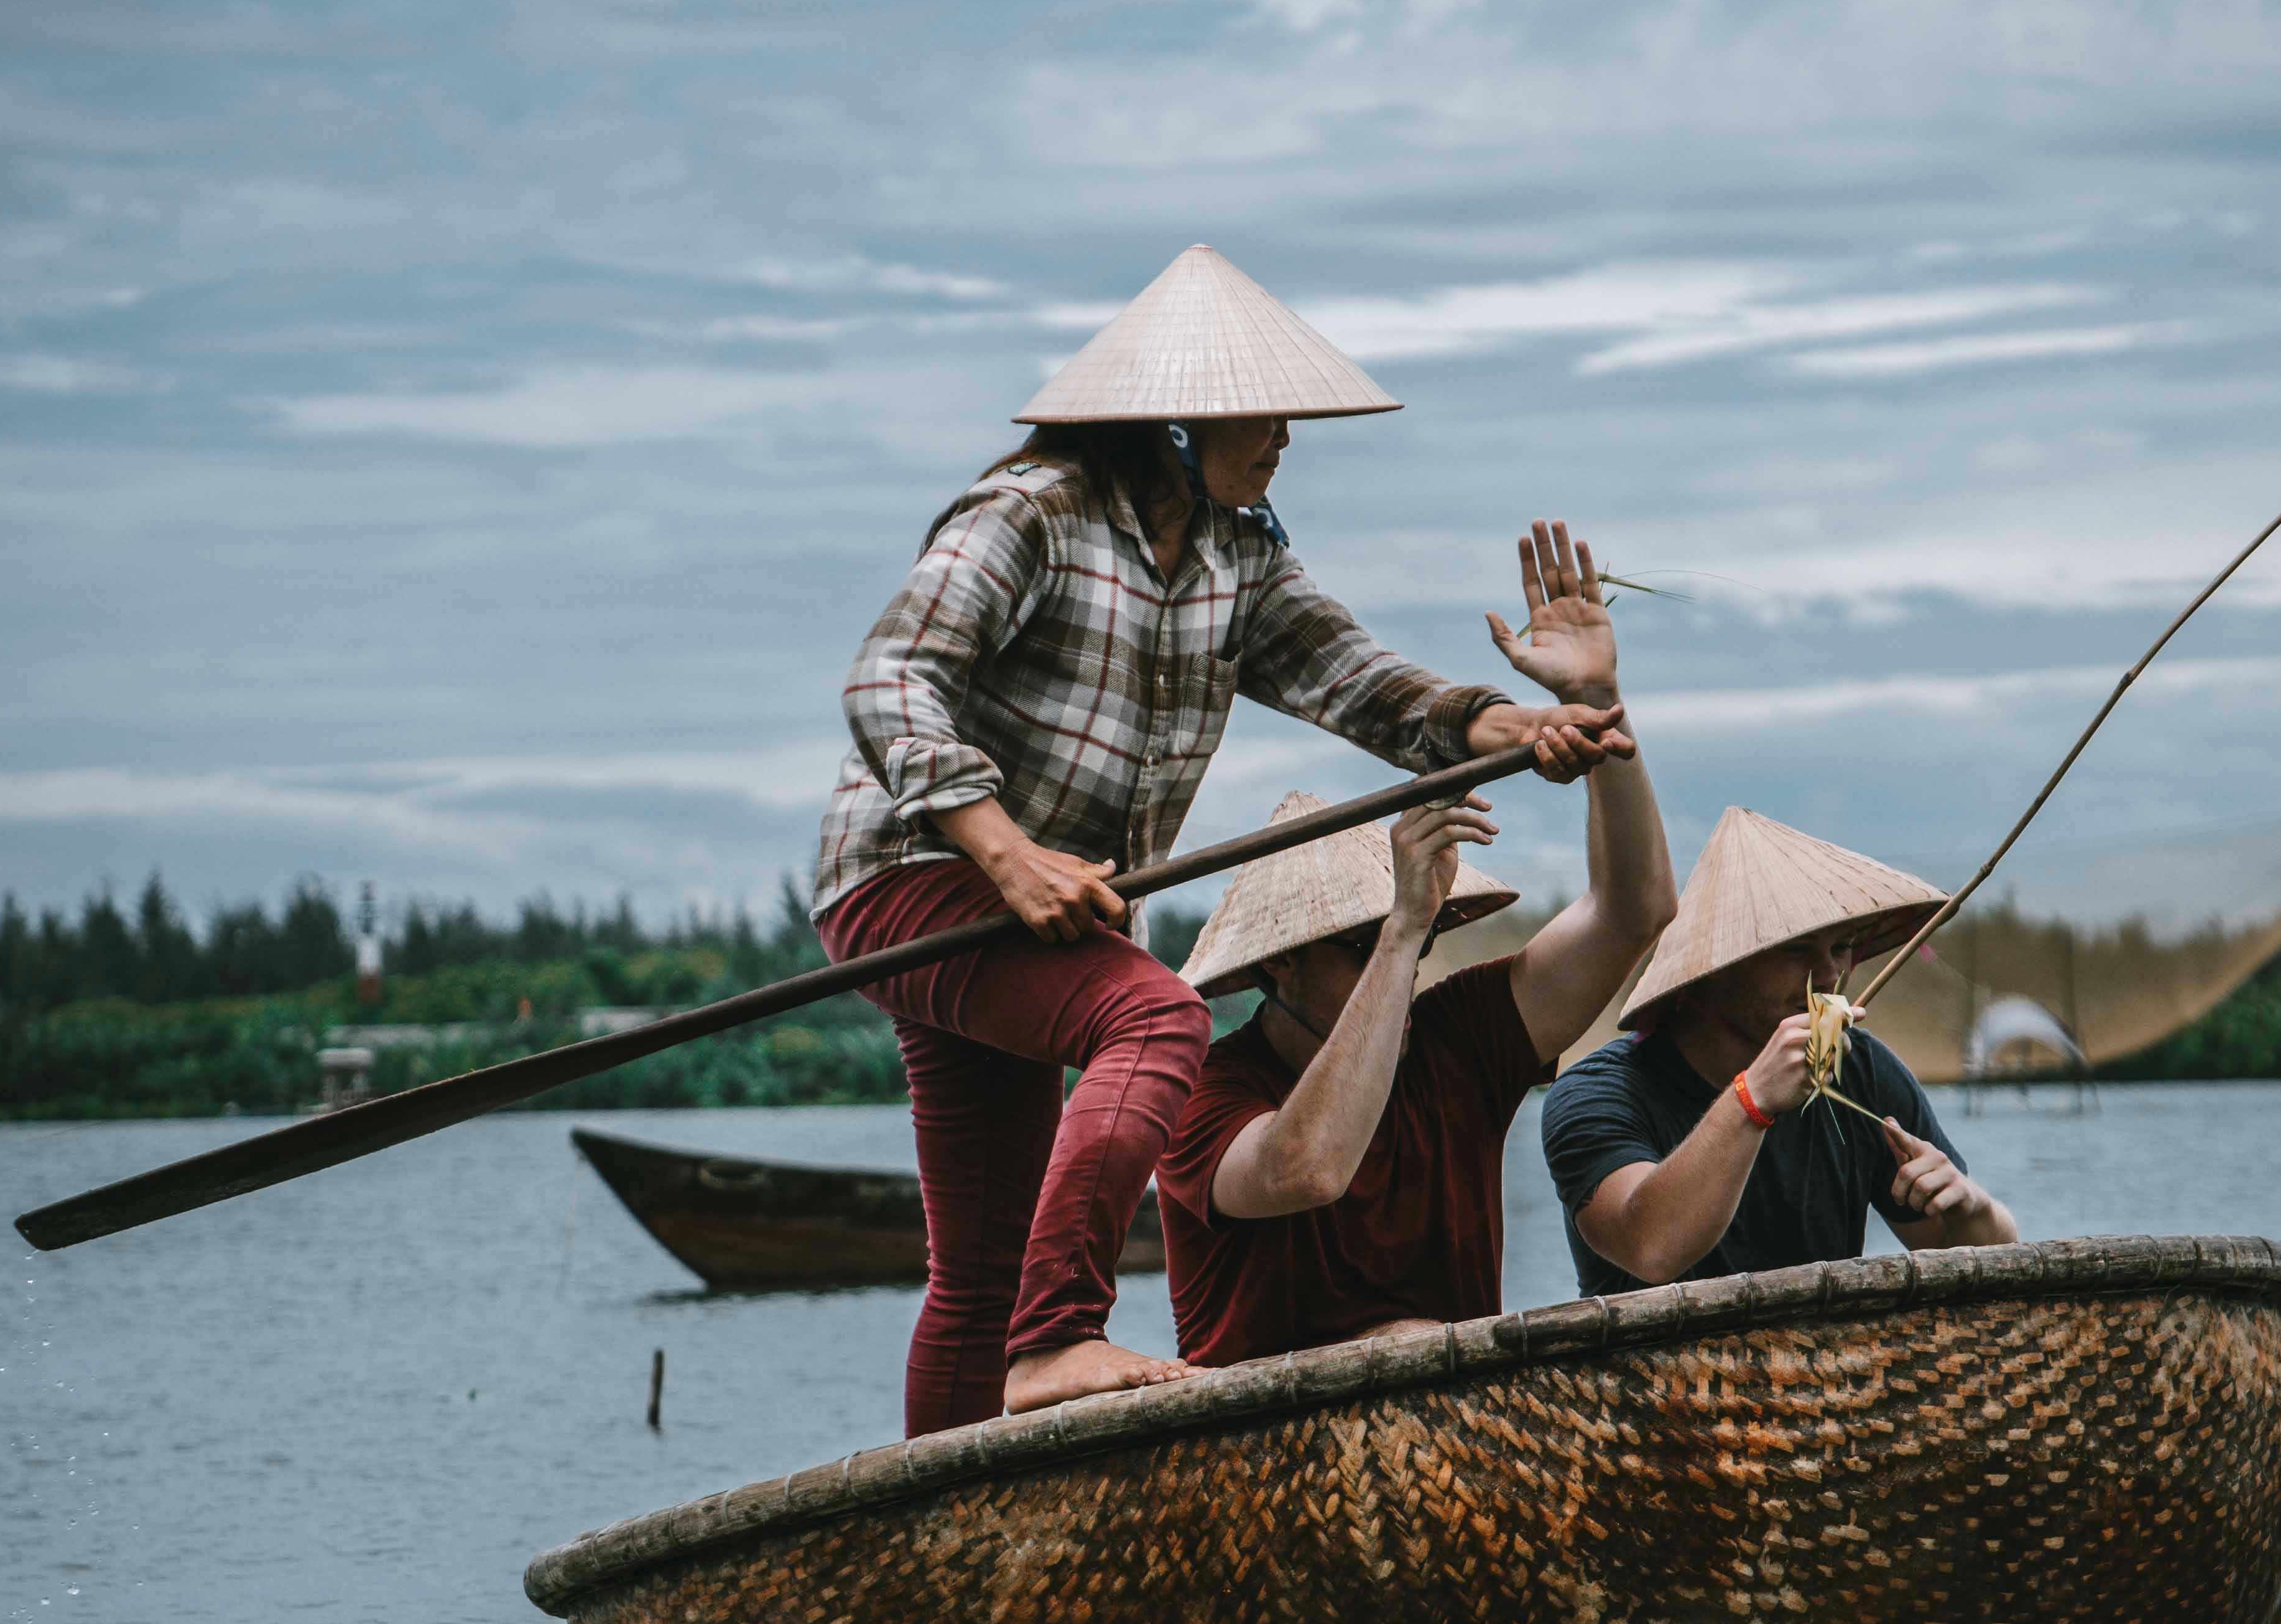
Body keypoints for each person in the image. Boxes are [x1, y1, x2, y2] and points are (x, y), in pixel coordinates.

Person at [813, 244, 1626, 1434]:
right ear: (1175, 424)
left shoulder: (1239, 561)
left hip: (1048, 919)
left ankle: (940, 1516)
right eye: (1262, 412)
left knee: (982, 1263)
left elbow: (1359, 681)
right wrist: (1006, 852)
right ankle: (1056, 1342)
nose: (1286, 435)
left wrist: (1508, 722)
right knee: (1157, 1016)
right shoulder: (1031, 515)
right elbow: (889, 678)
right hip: (917, 881)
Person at [1155, 529, 1676, 1367]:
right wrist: (1401, 928)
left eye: (1420, 935)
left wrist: (1599, 704)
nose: (1402, 965)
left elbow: (1633, 912)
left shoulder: (1458, 1038)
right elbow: (1307, 1168)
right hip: (1266, 1454)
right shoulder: (1201, 1096)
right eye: (1359, 947)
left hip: (1452, 1432)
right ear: (1278, 967)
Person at [1541, 803, 2016, 1292]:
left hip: (1819, 1363)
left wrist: (1971, 1207)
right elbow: (1651, 1249)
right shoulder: (1597, 1094)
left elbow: (1982, 1262)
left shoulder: (1862, 1070)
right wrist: (1754, 1099)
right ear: (1717, 966)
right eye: (1796, 949)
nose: (1831, 976)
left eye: (1841, 947)